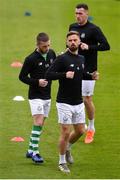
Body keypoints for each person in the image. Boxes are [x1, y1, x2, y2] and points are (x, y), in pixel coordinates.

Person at [45, 31, 99, 173]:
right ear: (67, 42)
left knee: (81, 130)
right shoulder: (62, 59)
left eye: (75, 40)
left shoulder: (81, 58)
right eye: (70, 40)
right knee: (65, 131)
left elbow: (80, 73)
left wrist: (91, 75)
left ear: (79, 42)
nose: (73, 42)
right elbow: (48, 74)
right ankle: (62, 162)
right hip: (64, 102)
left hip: (78, 102)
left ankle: (68, 147)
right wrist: (64, 74)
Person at [69, 3, 110, 144]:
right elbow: (69, 44)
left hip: (89, 69)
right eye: (76, 13)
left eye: (80, 13)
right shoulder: (72, 27)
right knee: (75, 97)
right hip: (74, 67)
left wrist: (90, 47)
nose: (78, 16)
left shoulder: (94, 29)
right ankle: (82, 126)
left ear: (87, 14)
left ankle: (91, 127)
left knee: (87, 99)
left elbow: (106, 46)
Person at [19, 32, 56, 163]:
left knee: (40, 125)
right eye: (45, 46)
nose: (47, 48)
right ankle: (35, 153)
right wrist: (37, 82)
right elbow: (22, 77)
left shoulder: (52, 54)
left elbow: (54, 71)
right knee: (38, 122)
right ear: (38, 45)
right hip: (35, 96)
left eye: (49, 45)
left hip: (47, 95)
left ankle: (30, 149)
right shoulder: (30, 59)